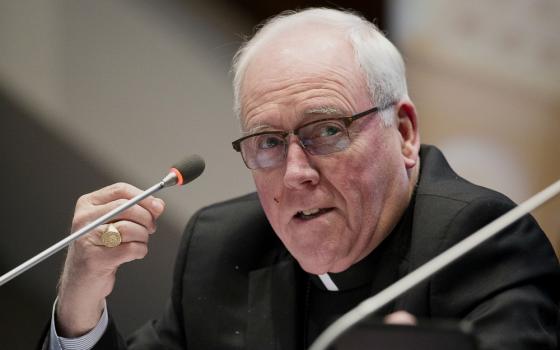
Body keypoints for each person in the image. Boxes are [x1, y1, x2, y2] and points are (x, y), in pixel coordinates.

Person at [43, 8, 559, 350]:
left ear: (403, 132)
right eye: (268, 141)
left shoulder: (481, 241)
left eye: (328, 130)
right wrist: (79, 300)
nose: (295, 174)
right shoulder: (223, 246)